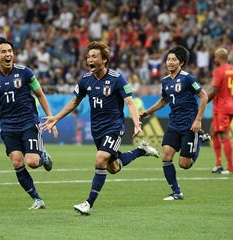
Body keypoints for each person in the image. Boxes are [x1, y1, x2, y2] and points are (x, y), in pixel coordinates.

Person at [42, 41, 159, 215]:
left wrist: (136, 123)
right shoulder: (85, 79)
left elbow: (130, 102)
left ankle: (88, 203)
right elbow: (75, 101)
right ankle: (141, 151)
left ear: (104, 59)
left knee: (100, 159)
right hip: (97, 129)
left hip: (115, 127)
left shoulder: (117, 79)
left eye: (94, 56)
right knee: (114, 167)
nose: (90, 59)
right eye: (88, 56)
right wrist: (56, 118)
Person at [0, 38, 58, 209]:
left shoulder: (26, 72)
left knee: (33, 162)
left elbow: (40, 94)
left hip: (28, 122)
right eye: (3, 52)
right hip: (8, 126)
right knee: (17, 162)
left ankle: (42, 155)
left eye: (10, 51)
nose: (8, 54)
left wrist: (51, 116)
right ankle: (37, 199)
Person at [140, 45, 209, 201]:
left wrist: (198, 120)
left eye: (174, 60)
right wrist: (146, 112)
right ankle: (176, 192)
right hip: (174, 124)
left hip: (190, 125)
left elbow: (204, 97)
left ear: (181, 63)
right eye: (168, 59)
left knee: (185, 165)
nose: (170, 62)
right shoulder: (165, 81)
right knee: (166, 155)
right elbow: (164, 100)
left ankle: (199, 140)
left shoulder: (188, 78)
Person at [208, 48, 233, 175]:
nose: (214, 59)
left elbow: (214, 89)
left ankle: (230, 167)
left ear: (219, 58)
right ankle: (218, 164)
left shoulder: (219, 71)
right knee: (213, 132)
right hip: (230, 106)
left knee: (223, 135)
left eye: (215, 57)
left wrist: (204, 102)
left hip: (222, 107)